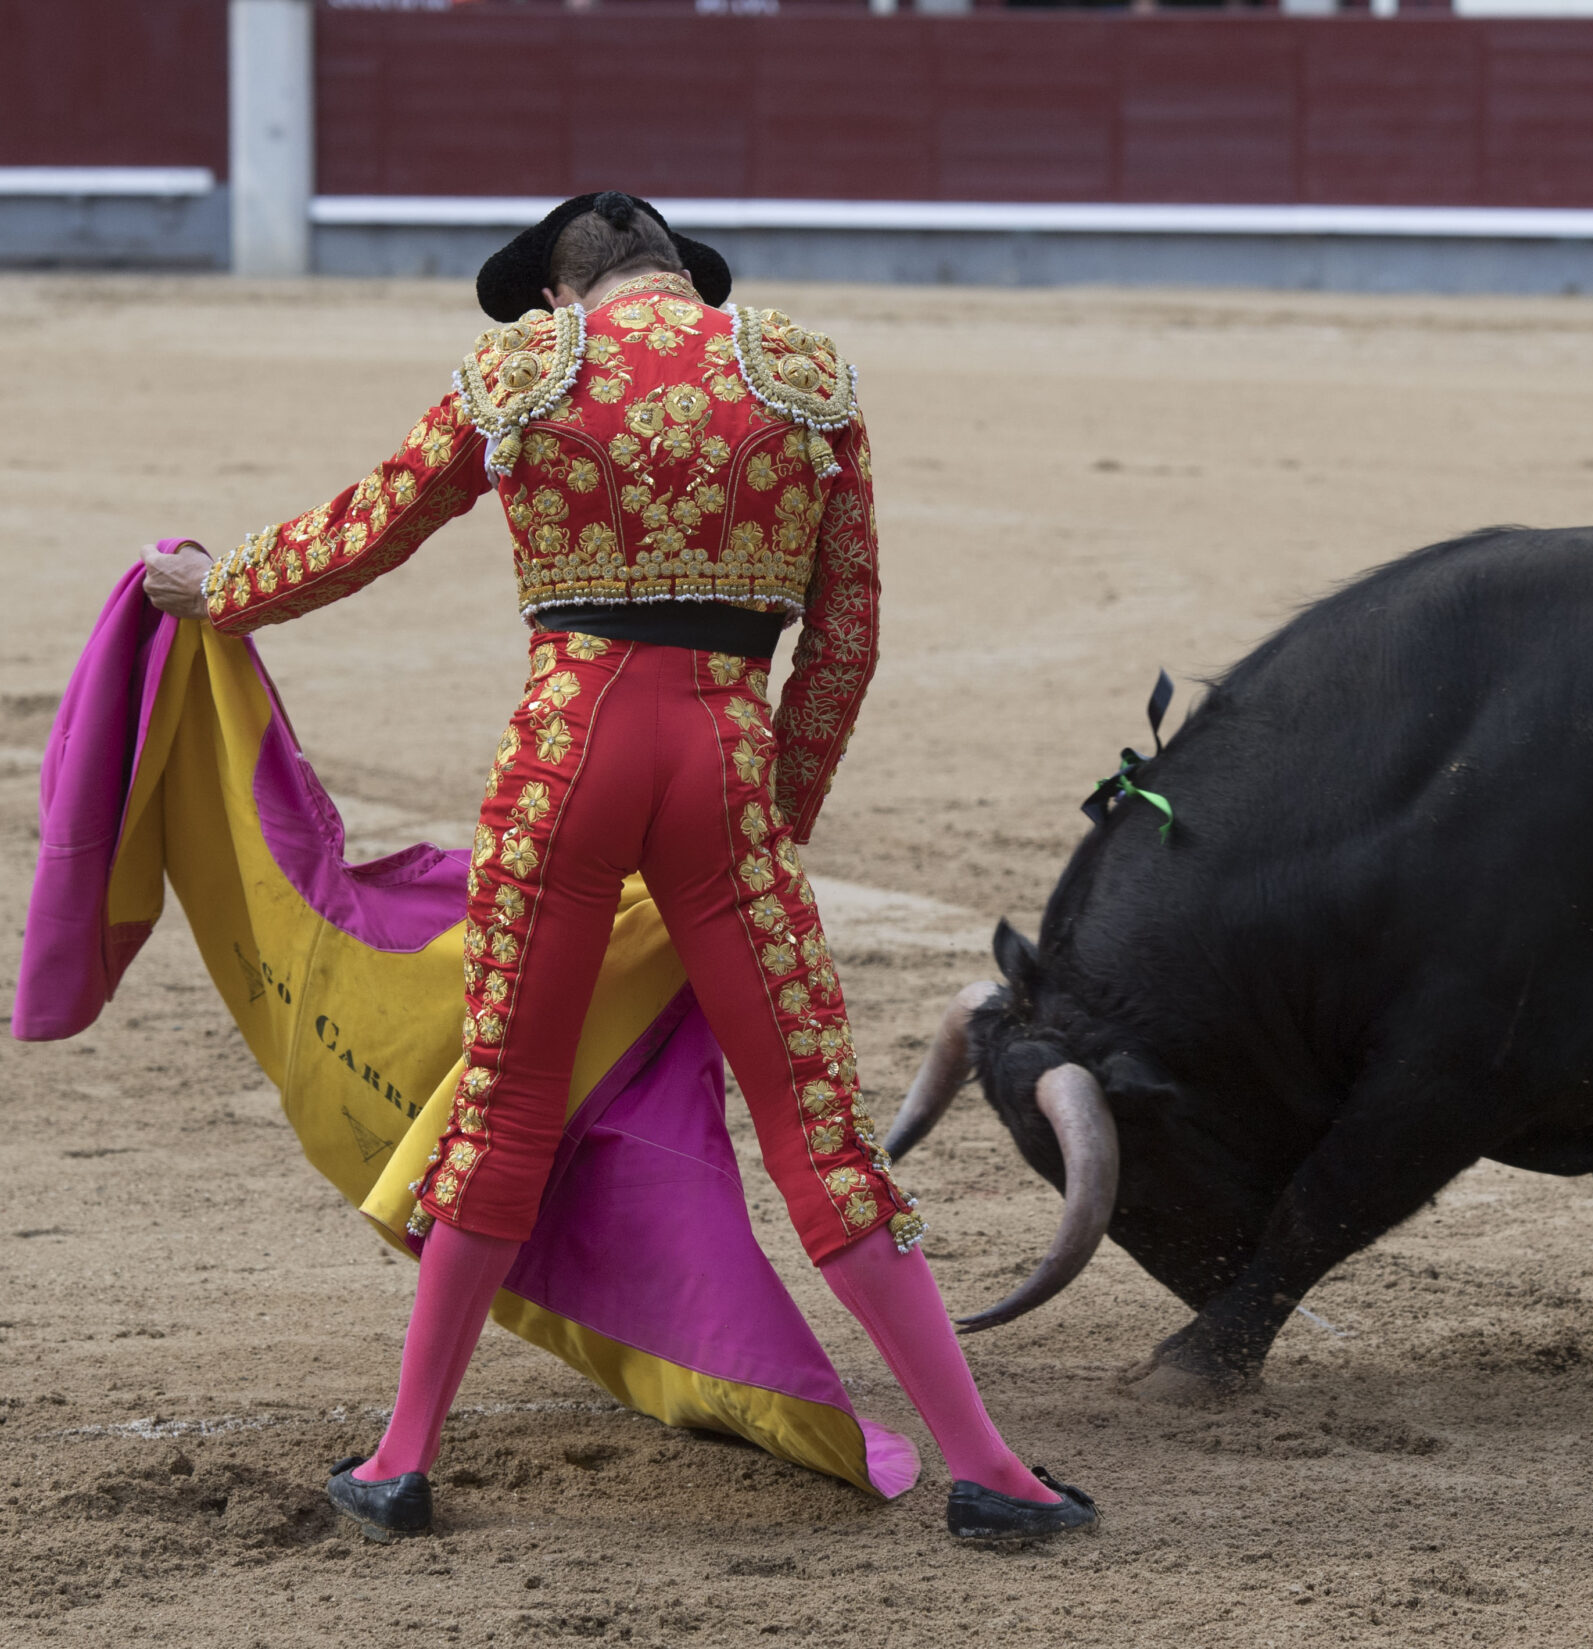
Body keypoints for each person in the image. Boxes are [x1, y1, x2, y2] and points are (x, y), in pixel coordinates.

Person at [140, 190, 1094, 1546]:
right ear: (677, 279)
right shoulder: (807, 377)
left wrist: (215, 585)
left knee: (509, 1111)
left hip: (565, 754)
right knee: (814, 1126)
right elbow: (847, 639)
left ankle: (401, 1461)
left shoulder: (523, 371)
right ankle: (991, 1468)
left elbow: (367, 528)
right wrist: (770, 825)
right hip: (721, 749)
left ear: (555, 296)